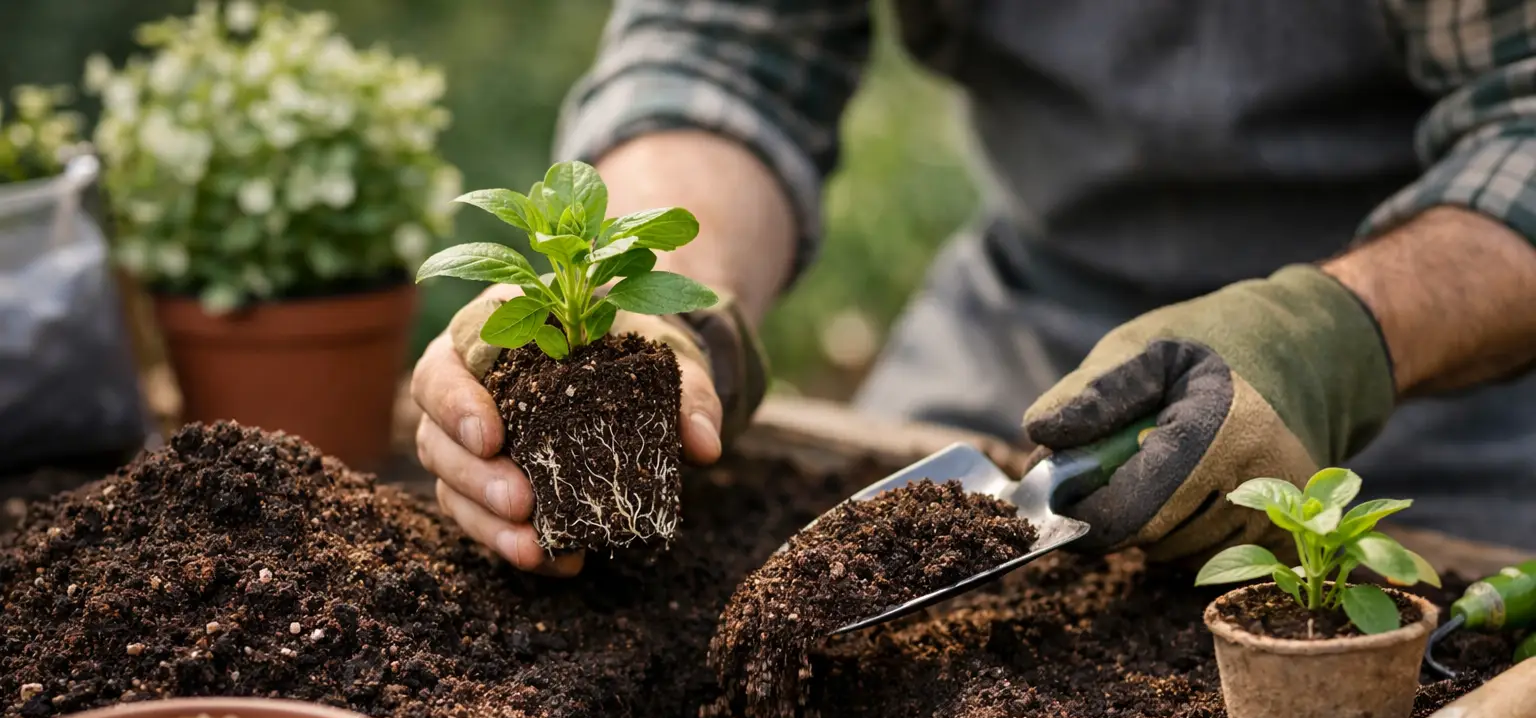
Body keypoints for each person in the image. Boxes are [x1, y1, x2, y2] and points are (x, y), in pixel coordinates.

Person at [412, 0, 1536, 576]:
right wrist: (657, 300)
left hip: (1442, 375)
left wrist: (1325, 337)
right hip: (1038, 316)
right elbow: (722, 53)